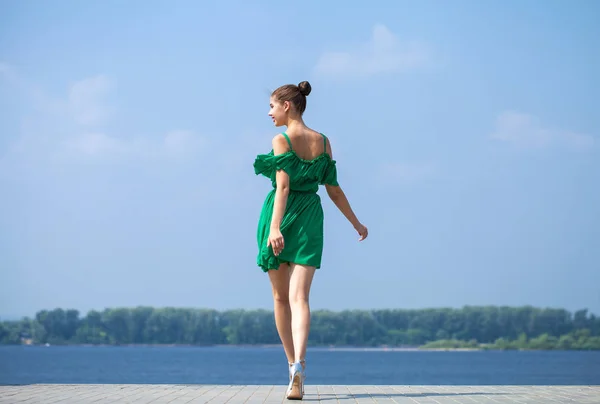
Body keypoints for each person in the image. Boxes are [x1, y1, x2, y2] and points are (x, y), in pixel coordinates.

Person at [253, 80, 368, 400]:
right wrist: (356, 223)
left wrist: (275, 228)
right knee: (300, 298)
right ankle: (300, 366)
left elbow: (284, 187)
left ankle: (291, 367)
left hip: (282, 215)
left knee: (280, 299)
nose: (269, 112)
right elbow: (333, 189)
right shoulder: (323, 141)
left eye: (273, 106)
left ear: (287, 105)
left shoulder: (281, 139)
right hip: (310, 218)